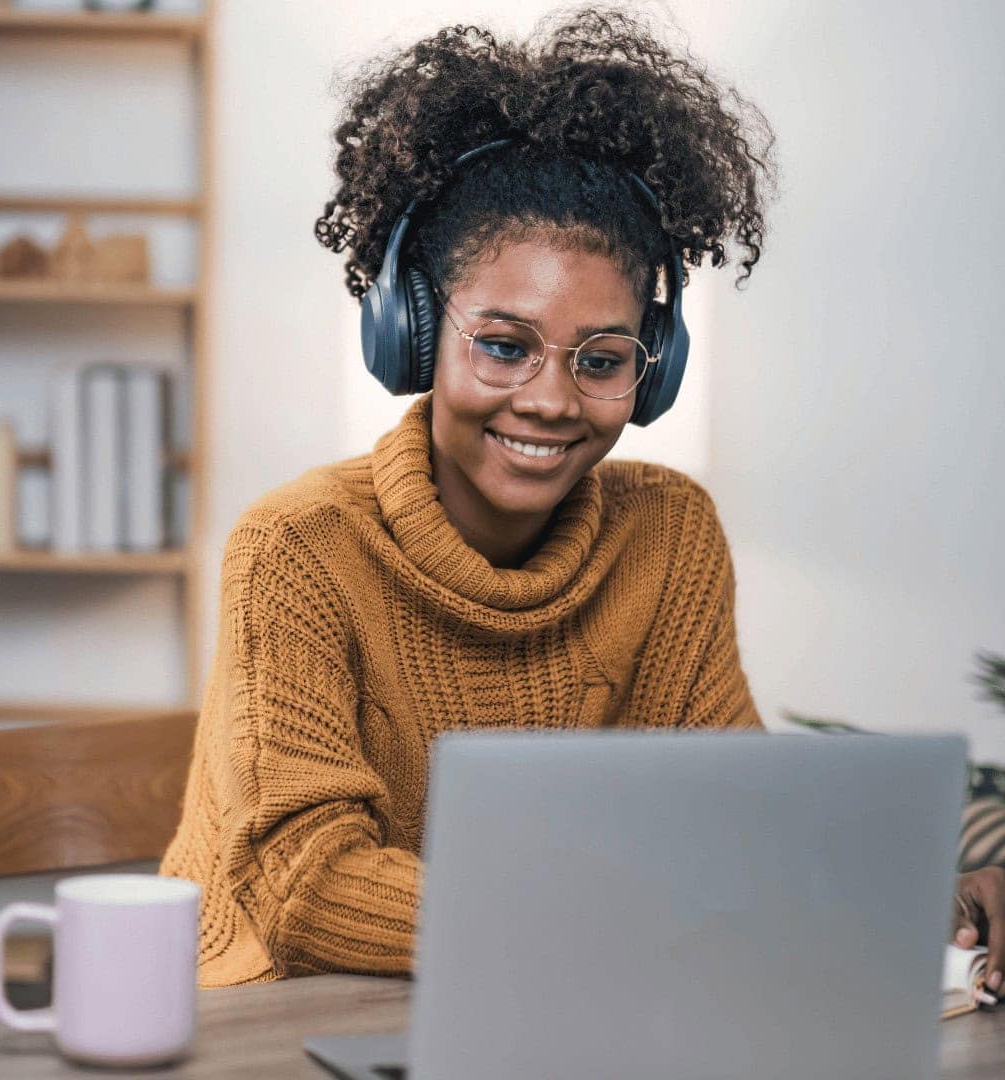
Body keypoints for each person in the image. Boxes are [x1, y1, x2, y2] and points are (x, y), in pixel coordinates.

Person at [161, 5, 1005, 991]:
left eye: (602, 359)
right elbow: (307, 888)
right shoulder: (297, 549)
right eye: (505, 345)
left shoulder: (670, 536)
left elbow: (741, 812)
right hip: (274, 1014)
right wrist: (631, 914)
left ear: (653, 372)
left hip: (560, 1000)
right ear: (414, 331)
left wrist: (924, 898)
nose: (553, 401)